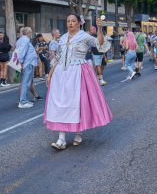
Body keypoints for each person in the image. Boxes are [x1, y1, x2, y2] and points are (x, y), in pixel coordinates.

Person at [44, 14, 112, 150]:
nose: (70, 23)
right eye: (68, 21)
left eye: (73, 21)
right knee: (60, 103)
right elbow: (58, 57)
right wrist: (50, 74)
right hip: (61, 74)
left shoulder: (84, 36)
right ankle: (61, 138)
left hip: (78, 72)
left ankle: (78, 133)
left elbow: (99, 44)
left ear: (79, 23)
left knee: (76, 103)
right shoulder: (62, 38)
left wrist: (99, 27)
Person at [17, 27, 38, 108]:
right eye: (31, 32)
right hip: (27, 63)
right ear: (28, 33)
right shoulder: (25, 40)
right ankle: (23, 101)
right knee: (26, 83)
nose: (31, 34)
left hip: (26, 63)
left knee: (24, 82)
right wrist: (21, 61)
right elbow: (22, 51)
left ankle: (23, 99)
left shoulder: (20, 40)